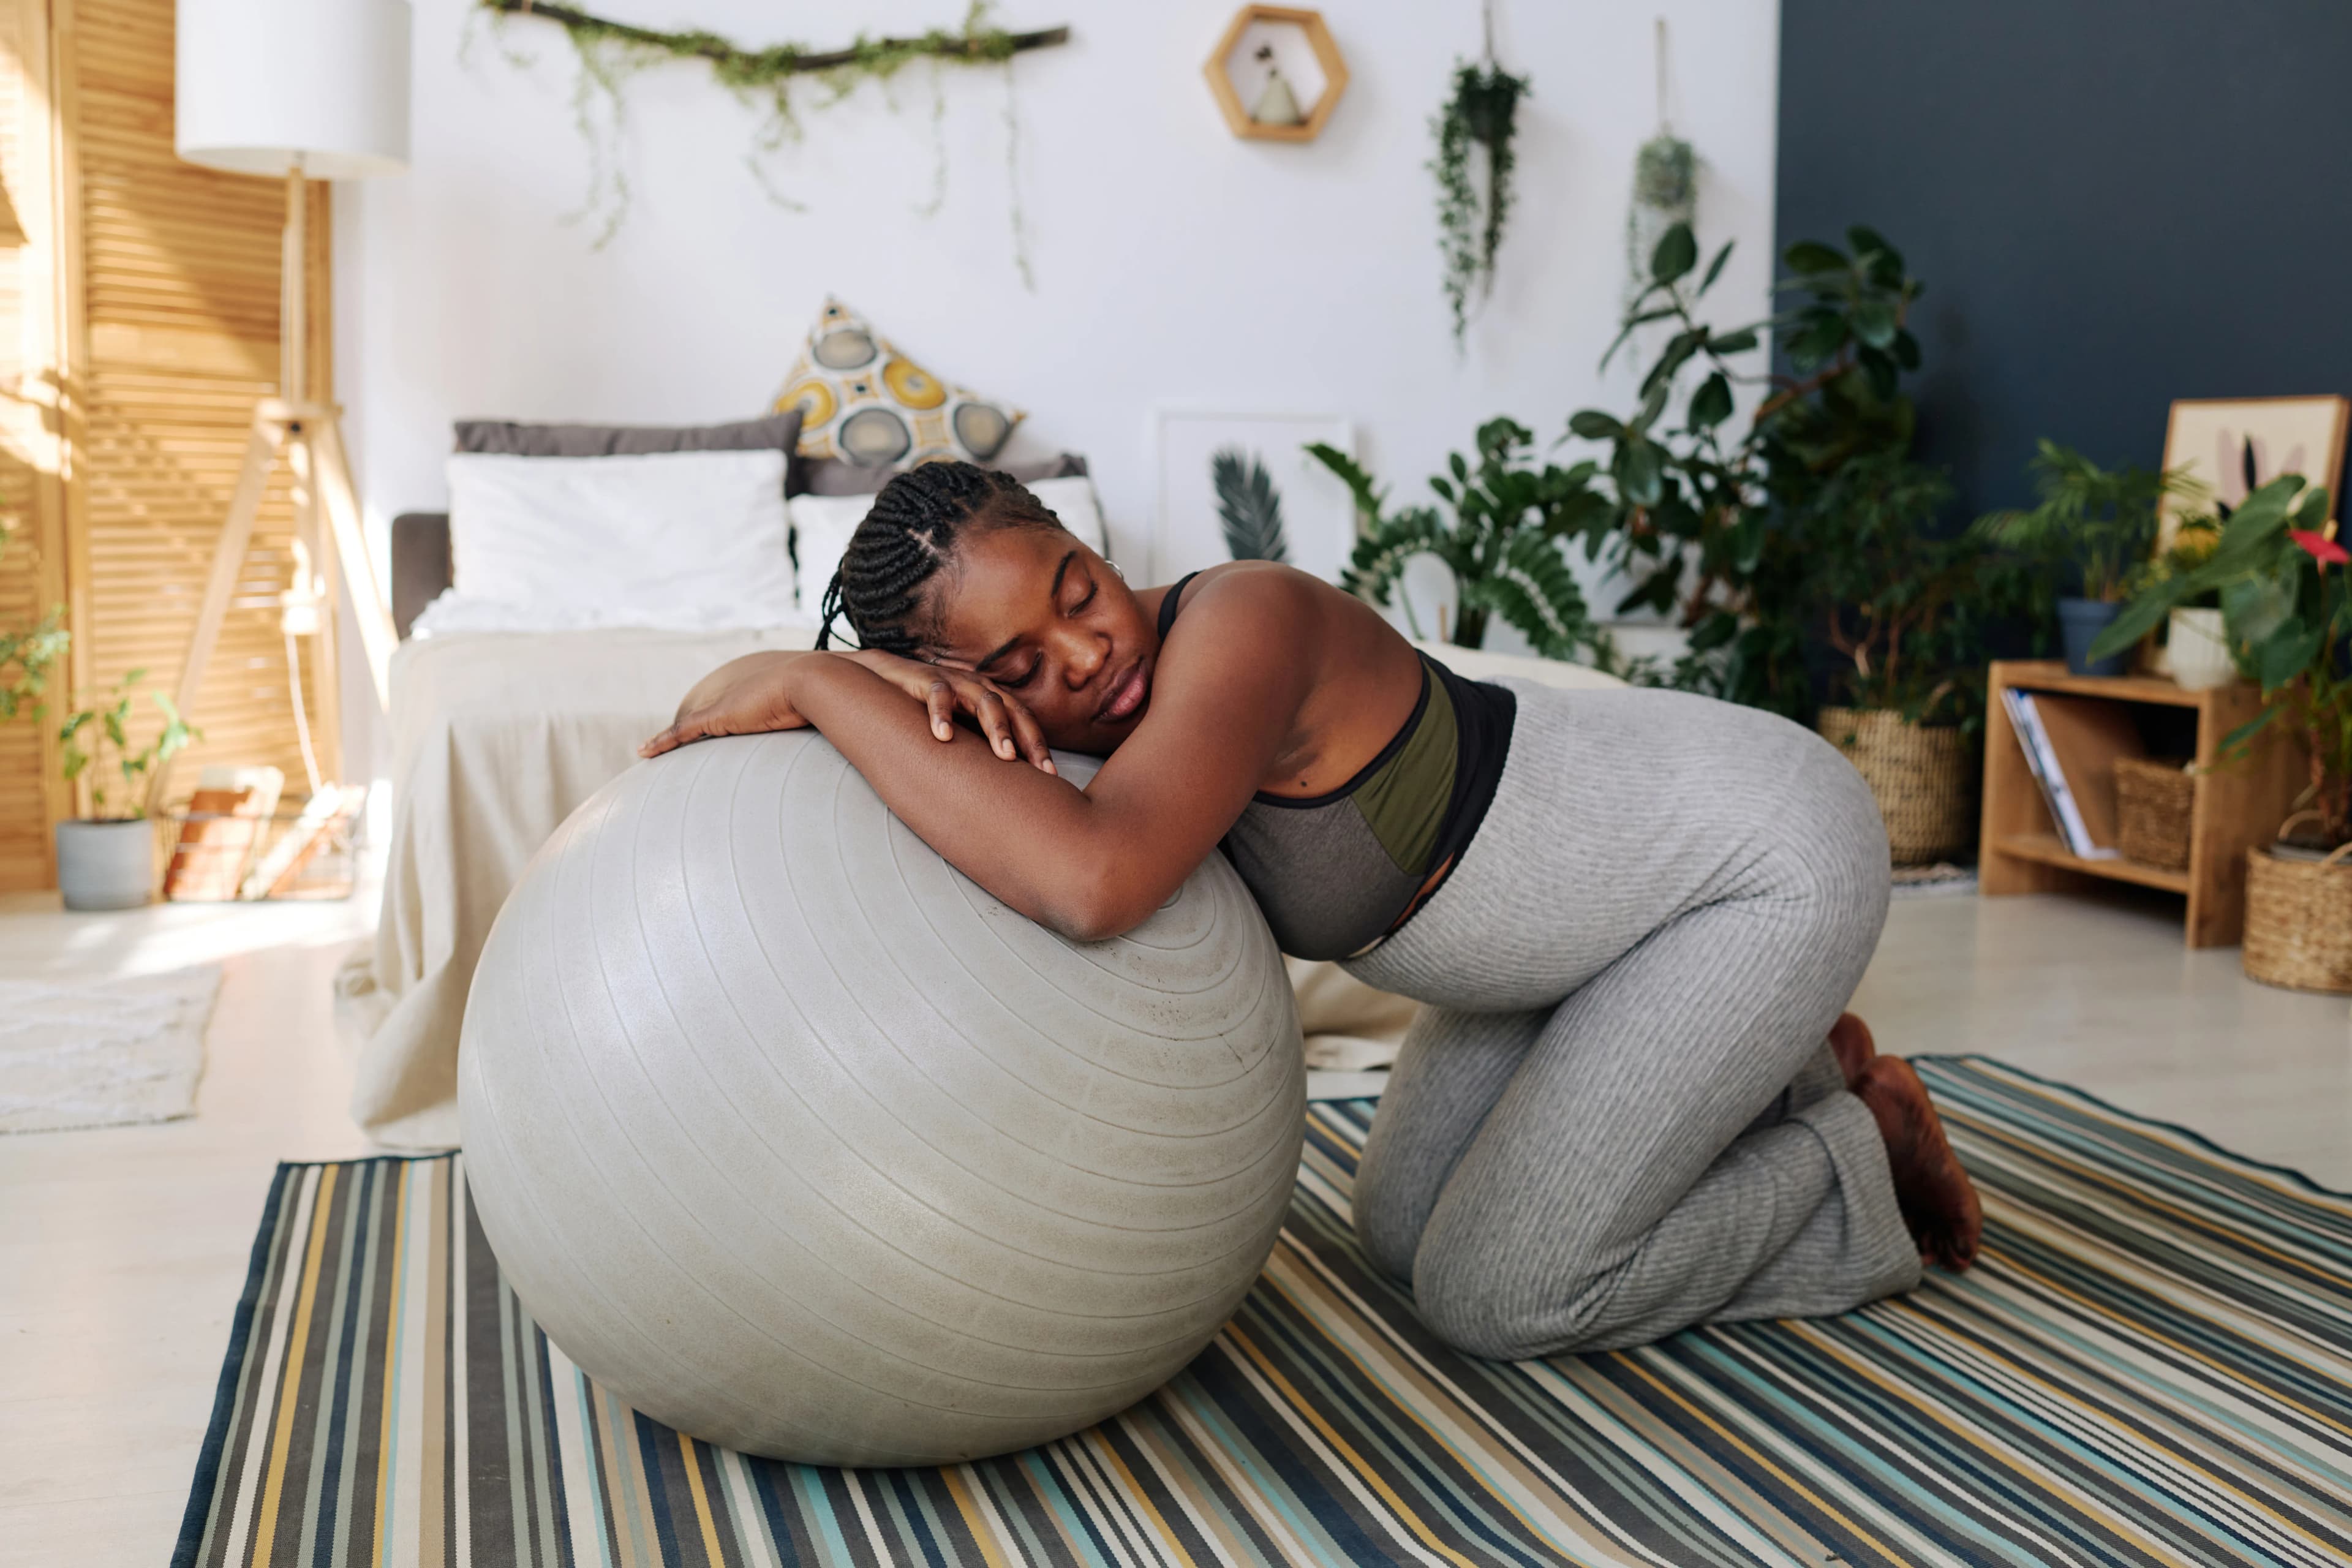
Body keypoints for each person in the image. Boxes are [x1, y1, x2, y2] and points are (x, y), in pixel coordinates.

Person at [641, 461, 1980, 1359]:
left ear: (1092, 547)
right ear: (947, 678)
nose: (1090, 652)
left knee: (1495, 1293)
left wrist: (818, 687)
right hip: (1575, 948)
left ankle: (1854, 1154)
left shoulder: (1244, 629)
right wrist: (840, 672)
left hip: (1759, 859)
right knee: (1394, 1234)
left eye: (1077, 590)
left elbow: (1093, 881)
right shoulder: (1080, 720)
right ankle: (1781, 1069)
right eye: (1015, 667)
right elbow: (716, 717)